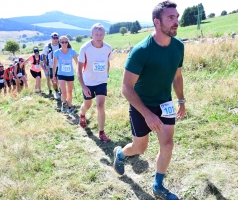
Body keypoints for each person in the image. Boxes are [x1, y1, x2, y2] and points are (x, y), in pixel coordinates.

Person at [112, 1, 185, 199]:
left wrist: (181, 101)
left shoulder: (178, 47)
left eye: (177, 17)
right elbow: (126, 88)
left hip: (165, 103)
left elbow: (177, 77)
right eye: (170, 18)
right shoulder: (141, 50)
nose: (176, 21)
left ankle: (158, 186)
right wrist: (148, 115)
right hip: (141, 105)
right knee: (140, 148)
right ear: (156, 21)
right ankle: (120, 154)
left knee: (167, 144)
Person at [77, 23, 112, 143]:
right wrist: (83, 86)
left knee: (100, 105)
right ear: (91, 35)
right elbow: (79, 70)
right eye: (96, 34)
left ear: (104, 35)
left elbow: (107, 62)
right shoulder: (85, 48)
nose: (98, 37)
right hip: (88, 81)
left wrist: (106, 75)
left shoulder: (108, 48)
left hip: (101, 81)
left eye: (101, 34)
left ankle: (101, 133)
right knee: (87, 105)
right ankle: (82, 114)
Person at [52, 36, 78, 114]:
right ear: (60, 43)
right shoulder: (57, 52)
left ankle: (70, 107)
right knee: (64, 92)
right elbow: (54, 65)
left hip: (70, 74)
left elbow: (78, 63)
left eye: (66, 42)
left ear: (68, 42)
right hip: (61, 74)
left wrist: (80, 72)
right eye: (62, 42)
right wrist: (54, 76)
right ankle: (64, 103)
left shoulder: (72, 51)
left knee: (69, 92)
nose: (64, 44)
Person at [42, 32, 62, 98]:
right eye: (54, 38)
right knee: (54, 81)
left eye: (57, 38)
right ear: (51, 38)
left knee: (61, 80)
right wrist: (46, 64)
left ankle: (61, 93)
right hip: (51, 66)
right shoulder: (47, 46)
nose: (55, 39)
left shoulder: (61, 45)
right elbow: (44, 56)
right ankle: (56, 91)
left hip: (60, 66)